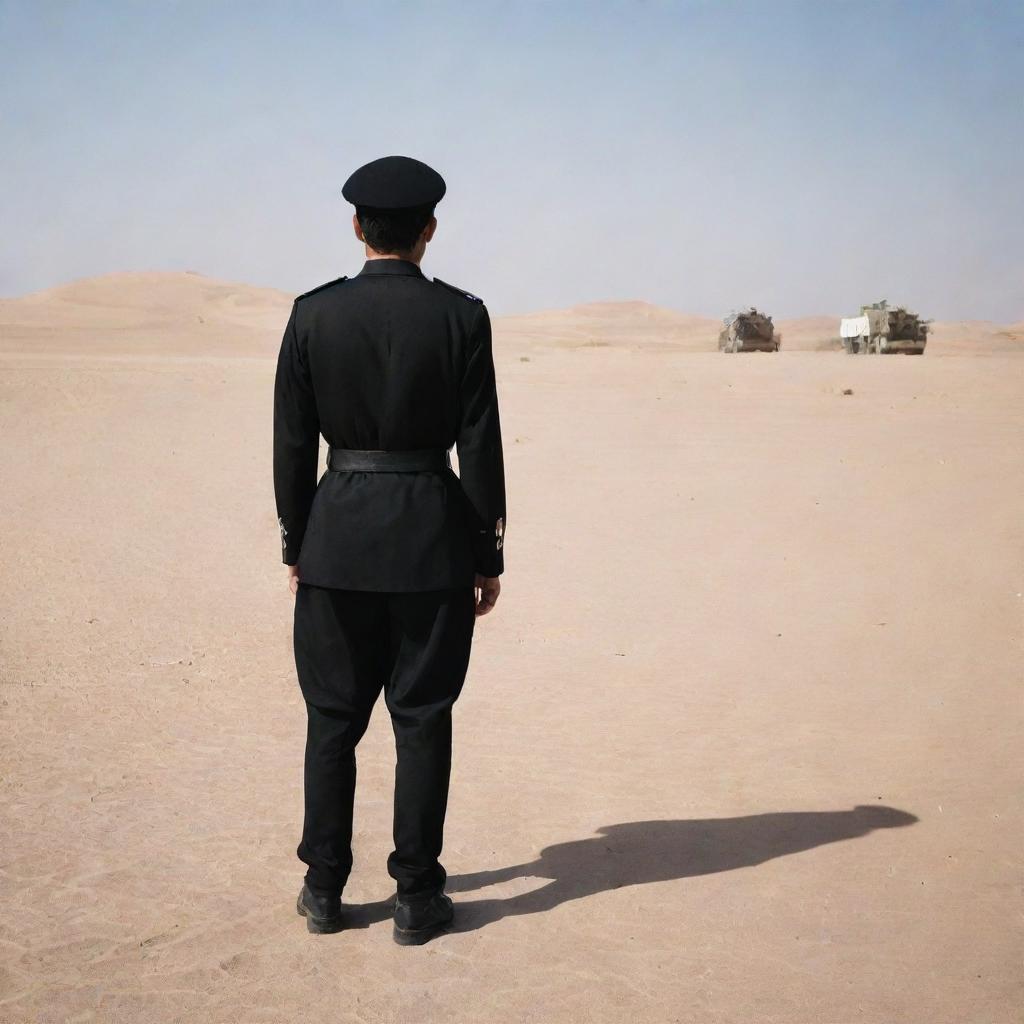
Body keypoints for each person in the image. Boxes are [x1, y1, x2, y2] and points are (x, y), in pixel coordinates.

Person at [273, 155, 506, 945]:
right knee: (423, 719)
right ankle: (415, 896)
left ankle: (324, 889)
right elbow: (479, 443)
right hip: (432, 544)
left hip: (336, 540)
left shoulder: (312, 314)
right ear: (428, 231)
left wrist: (295, 540)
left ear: (355, 226)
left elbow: (292, 442)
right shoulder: (462, 317)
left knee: (332, 721)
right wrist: (488, 551)